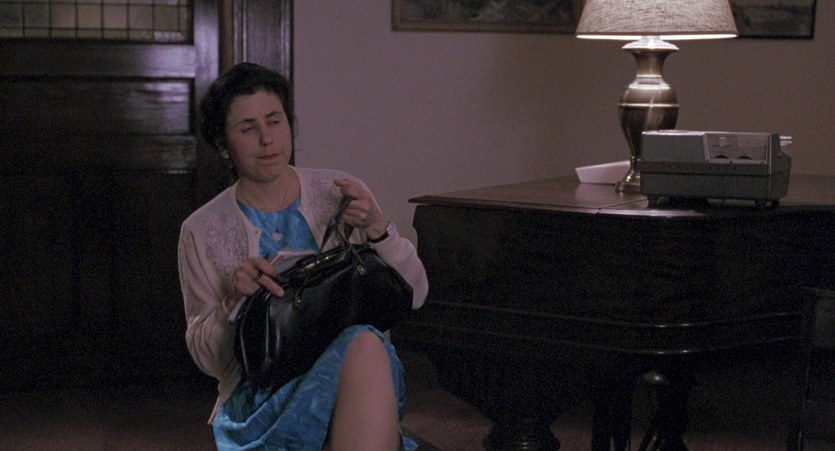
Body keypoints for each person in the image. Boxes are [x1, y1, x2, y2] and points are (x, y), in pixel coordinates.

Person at [177, 62, 429, 450]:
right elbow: (208, 361)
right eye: (248, 128)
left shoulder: (339, 191)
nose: (267, 139)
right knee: (364, 345)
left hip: (360, 374)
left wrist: (380, 230)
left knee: (363, 342)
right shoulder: (201, 230)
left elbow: (416, 293)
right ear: (224, 145)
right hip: (263, 395)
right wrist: (233, 301)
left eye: (275, 121)